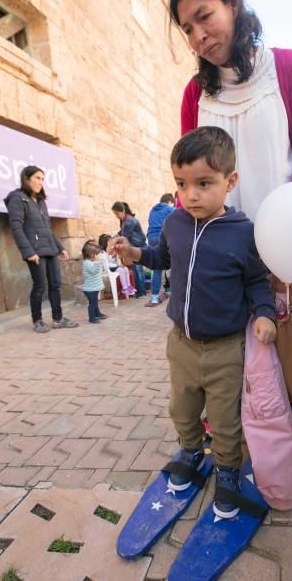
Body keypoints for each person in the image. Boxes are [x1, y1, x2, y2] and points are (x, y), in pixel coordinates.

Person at [170, 0, 292, 424]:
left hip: (287, 245)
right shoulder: (195, 94)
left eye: (205, 17)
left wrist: (285, 236)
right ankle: (234, 435)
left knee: (287, 350)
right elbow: (188, 167)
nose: (198, 36)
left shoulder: (286, 68)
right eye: (186, 28)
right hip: (223, 250)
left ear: (233, 2)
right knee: (231, 357)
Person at [113, 127, 276, 519]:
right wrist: (136, 252)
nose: (192, 195)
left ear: (230, 181)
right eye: (182, 184)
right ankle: (189, 449)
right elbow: (161, 258)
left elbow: (256, 280)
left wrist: (266, 314)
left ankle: (228, 470)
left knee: (224, 420)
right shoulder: (175, 223)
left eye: (204, 183)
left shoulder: (244, 233)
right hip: (182, 344)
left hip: (225, 349)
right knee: (181, 409)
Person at [4, 166, 78, 333]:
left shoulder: (40, 201)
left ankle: (58, 319)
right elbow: (16, 228)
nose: (40, 182)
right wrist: (29, 252)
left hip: (50, 249)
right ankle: (37, 320)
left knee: (56, 284)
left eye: (42, 179)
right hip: (35, 251)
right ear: (27, 178)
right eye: (37, 178)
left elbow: (47, 228)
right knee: (39, 286)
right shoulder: (18, 199)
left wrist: (60, 247)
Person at [111, 202, 147, 298]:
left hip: (139, 246)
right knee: (135, 269)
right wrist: (113, 238)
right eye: (115, 214)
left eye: (117, 214)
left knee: (138, 270)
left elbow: (124, 236)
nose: (116, 216)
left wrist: (114, 242)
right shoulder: (125, 221)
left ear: (123, 211)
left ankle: (142, 292)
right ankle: (139, 292)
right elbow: (121, 233)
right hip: (134, 246)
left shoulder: (130, 221)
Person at [146, 193, 175, 305]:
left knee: (157, 267)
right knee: (170, 264)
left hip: (151, 238)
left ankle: (155, 295)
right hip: (163, 237)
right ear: (170, 202)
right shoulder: (170, 209)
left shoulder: (152, 210)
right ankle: (172, 290)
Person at [98, 233, 136, 298]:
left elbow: (112, 261)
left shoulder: (110, 251)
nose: (111, 243)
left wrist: (114, 257)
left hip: (112, 268)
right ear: (105, 243)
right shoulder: (102, 253)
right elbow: (106, 264)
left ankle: (128, 286)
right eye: (109, 241)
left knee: (125, 268)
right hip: (106, 270)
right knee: (120, 269)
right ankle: (124, 287)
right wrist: (116, 265)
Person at [81, 240, 107, 323]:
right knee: (92, 304)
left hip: (93, 287)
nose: (97, 256)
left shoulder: (90, 262)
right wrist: (98, 263)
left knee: (95, 302)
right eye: (96, 254)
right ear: (91, 254)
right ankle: (92, 318)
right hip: (90, 289)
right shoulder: (87, 263)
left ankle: (97, 313)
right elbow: (94, 271)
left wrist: (97, 262)